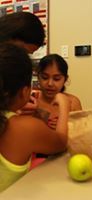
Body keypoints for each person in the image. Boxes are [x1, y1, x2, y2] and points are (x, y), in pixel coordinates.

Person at [0, 43, 70, 192]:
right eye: (44, 77)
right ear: (24, 91)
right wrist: (64, 105)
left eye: (57, 78)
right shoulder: (24, 126)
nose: (50, 84)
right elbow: (62, 141)